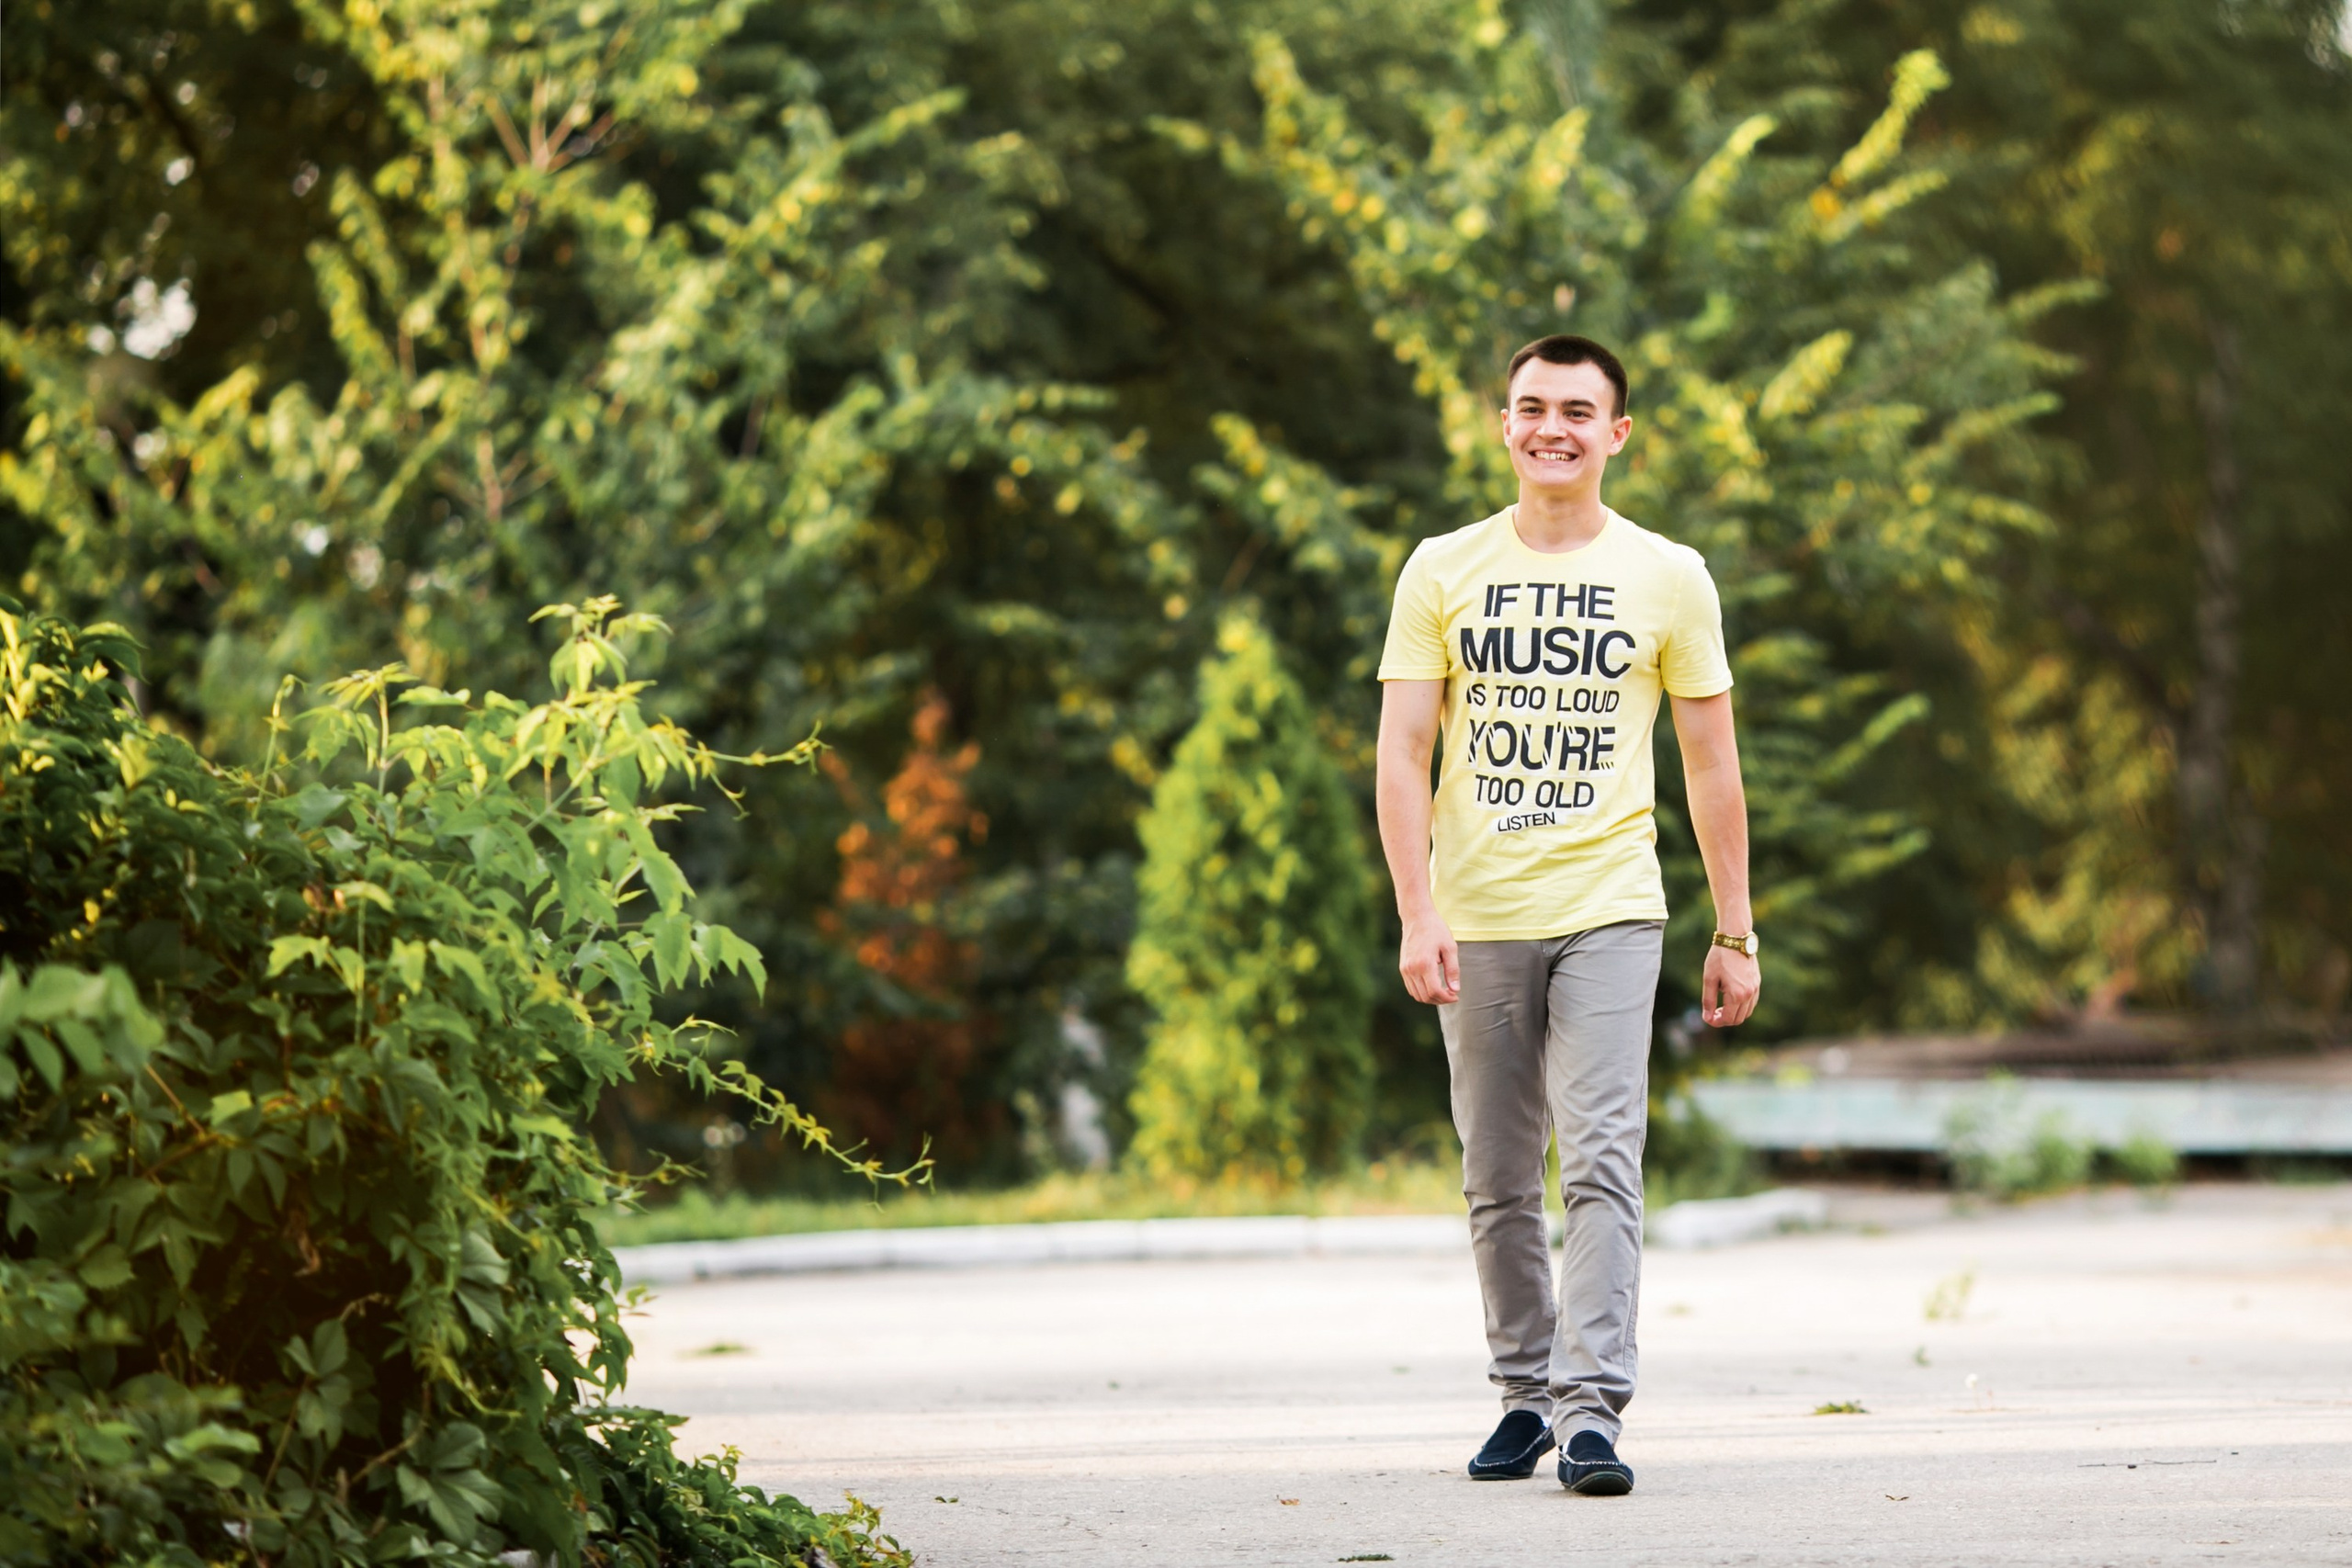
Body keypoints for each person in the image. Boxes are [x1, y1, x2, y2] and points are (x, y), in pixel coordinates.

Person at [1374, 333, 1760, 1495]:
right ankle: (1523, 1395)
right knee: (1496, 1171)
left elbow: (1710, 762)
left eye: (1578, 411)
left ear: (1617, 434)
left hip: (1610, 908)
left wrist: (1733, 925)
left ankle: (1592, 1414)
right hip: (1477, 914)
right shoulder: (1442, 567)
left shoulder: (1670, 575)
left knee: (1599, 1158)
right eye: (1532, 406)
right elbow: (1400, 751)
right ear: (1503, 424)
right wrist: (1415, 910)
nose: (1553, 427)